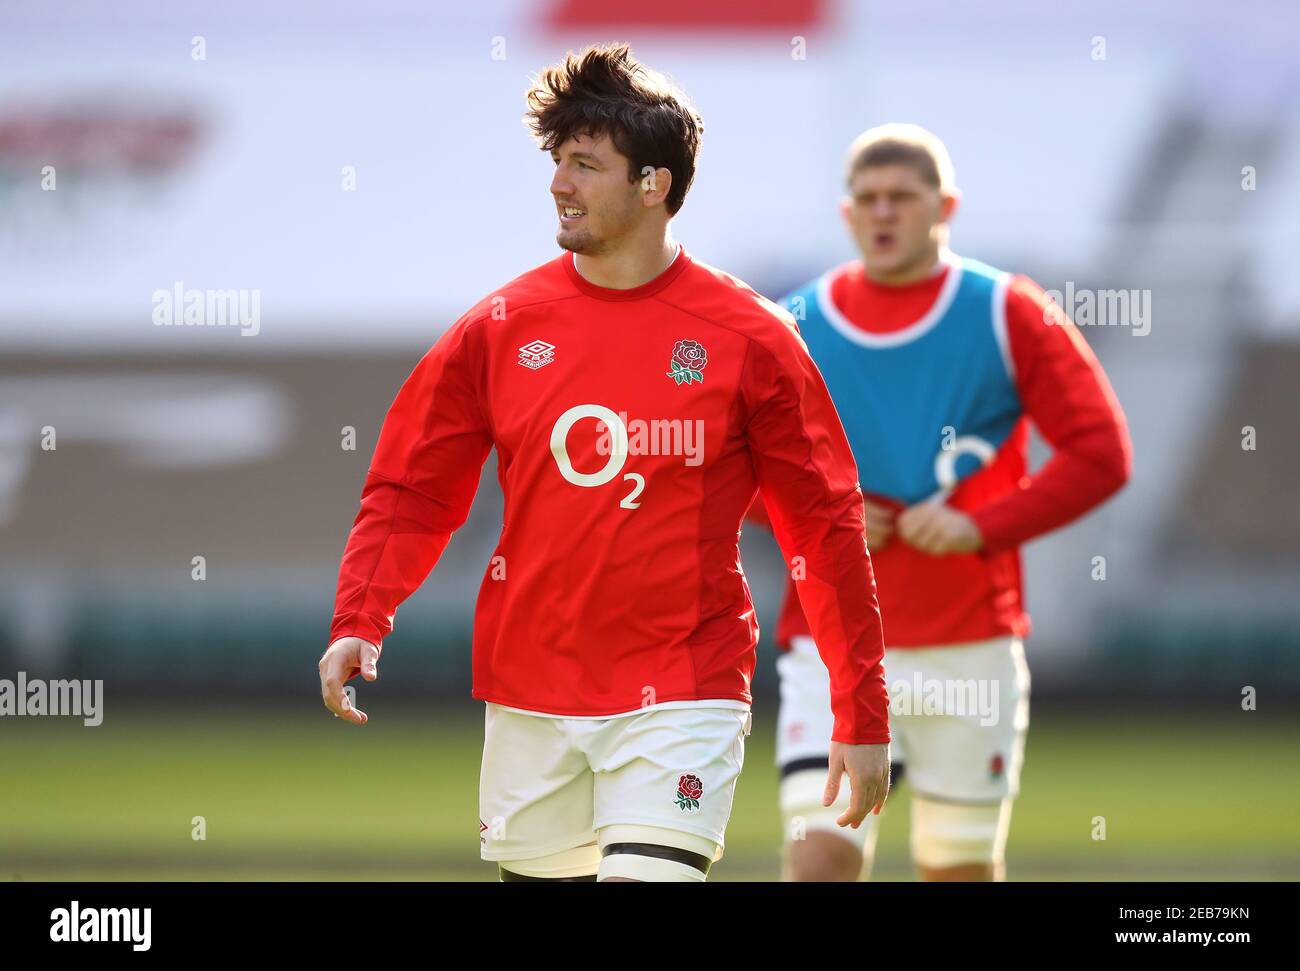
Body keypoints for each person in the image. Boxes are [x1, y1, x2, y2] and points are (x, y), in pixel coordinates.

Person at [318, 44, 891, 883]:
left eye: (586, 163)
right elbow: (412, 484)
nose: (560, 182)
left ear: (653, 184)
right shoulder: (501, 326)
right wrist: (358, 619)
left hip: (684, 690)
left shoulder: (754, 339)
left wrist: (861, 709)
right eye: (557, 161)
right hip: (529, 690)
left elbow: (825, 523)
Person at [754, 123, 1131, 882]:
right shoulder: (793, 323)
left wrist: (978, 527)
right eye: (867, 198)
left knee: (956, 869)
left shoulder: (1008, 311)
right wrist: (827, 514)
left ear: (945, 205)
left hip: (970, 645)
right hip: (832, 649)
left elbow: (1101, 453)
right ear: (846, 213)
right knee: (819, 859)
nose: (883, 212)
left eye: (902, 197)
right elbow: (742, 470)